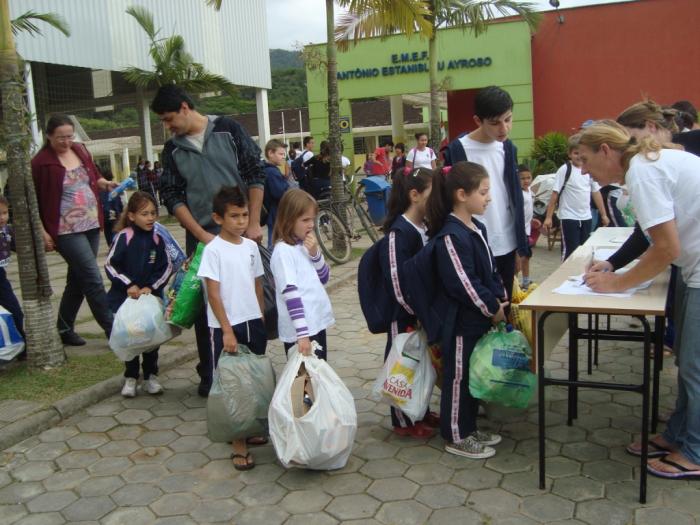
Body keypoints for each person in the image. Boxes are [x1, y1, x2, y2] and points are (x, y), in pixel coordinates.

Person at [579, 120, 700, 479]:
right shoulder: (647, 165)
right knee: (687, 361)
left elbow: (666, 247)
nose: (583, 170)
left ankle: (694, 451)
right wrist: (615, 266)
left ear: (605, 150)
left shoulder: (643, 173)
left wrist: (618, 284)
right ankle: (678, 435)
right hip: (693, 269)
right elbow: (649, 235)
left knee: (694, 367)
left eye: (585, 160)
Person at [153, 84, 266, 397]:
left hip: (243, 233)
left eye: (169, 117)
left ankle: (251, 365)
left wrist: (254, 223)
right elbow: (172, 195)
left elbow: (255, 174)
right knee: (207, 305)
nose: (168, 125)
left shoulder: (228, 130)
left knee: (247, 297)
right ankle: (212, 373)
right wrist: (202, 235)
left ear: (186, 107)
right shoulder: (172, 150)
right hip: (203, 237)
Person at [425, 161, 507, 459]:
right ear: (461, 194)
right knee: (458, 378)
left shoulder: (476, 227)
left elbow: (490, 269)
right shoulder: (451, 235)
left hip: (479, 319)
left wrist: (501, 298)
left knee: (473, 375)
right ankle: (456, 435)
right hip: (460, 322)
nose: (489, 198)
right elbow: (464, 283)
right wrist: (492, 307)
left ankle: (469, 426)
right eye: (483, 192)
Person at [197, 186, 266, 471]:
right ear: (218, 217)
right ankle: (238, 443)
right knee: (231, 383)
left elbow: (258, 282)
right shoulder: (213, 250)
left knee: (252, 379)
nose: (240, 221)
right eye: (234, 216)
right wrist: (226, 329)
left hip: (253, 322)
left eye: (245, 215)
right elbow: (213, 293)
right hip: (226, 326)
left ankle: (249, 427)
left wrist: (261, 316)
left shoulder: (251, 247)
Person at [31, 114, 117, 346]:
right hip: (65, 230)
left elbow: (92, 176)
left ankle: (65, 327)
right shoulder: (41, 163)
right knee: (92, 277)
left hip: (90, 224)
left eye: (70, 136)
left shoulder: (80, 150)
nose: (66, 142)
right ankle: (113, 329)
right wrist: (43, 231)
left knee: (78, 280)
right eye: (61, 138)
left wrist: (105, 184)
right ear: (48, 136)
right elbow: (33, 201)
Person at [442, 86, 527, 305]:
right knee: (479, 308)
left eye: (508, 119)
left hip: (507, 242)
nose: (504, 128)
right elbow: (449, 202)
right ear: (478, 120)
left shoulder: (508, 149)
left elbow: (514, 197)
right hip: (473, 244)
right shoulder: (458, 150)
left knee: (506, 308)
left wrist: (520, 244)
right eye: (495, 123)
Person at [379, 167, 438, 438]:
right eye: (432, 194)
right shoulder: (398, 233)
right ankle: (402, 421)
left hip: (420, 311)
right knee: (401, 365)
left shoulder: (424, 227)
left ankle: (420, 410)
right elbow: (395, 281)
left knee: (419, 364)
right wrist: (412, 312)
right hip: (402, 314)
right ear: (415, 195)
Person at [105, 191, 173, 398]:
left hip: (149, 299)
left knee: (151, 339)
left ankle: (151, 376)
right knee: (130, 337)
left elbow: (166, 267)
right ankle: (131, 377)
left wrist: (151, 287)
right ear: (132, 216)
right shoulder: (124, 237)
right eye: (145, 213)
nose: (150, 217)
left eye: (153, 213)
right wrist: (129, 284)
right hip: (124, 299)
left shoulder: (158, 239)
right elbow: (110, 265)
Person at [271, 189, 334, 361]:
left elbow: (324, 277)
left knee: (319, 376)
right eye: (305, 220)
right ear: (288, 220)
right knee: (305, 384)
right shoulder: (283, 251)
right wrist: (302, 335)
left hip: (315, 323)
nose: (311, 225)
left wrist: (315, 254)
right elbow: (290, 294)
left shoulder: (304, 245)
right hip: (302, 331)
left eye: (312, 219)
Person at [542, 134, 609, 260]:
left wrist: (604, 214)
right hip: (569, 217)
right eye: (575, 153)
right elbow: (555, 194)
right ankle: (566, 276)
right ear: (569, 154)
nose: (579, 156)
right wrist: (548, 217)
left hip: (586, 217)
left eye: (581, 153)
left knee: (585, 250)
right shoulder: (565, 170)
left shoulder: (589, 169)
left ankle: (580, 275)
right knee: (570, 251)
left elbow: (596, 192)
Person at [0, 196, 25, 355]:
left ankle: (21, 345)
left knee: (15, 311)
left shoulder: (7, 230)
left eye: (4, 213)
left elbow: (22, 246)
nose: (2, 217)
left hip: (1, 277)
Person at [263, 139, 292, 248]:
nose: (283, 157)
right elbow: (279, 193)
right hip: (276, 213)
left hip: (274, 213)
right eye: (280, 154)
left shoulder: (269, 170)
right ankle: (272, 262)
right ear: (270, 153)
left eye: (284, 154)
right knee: (275, 242)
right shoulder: (272, 172)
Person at [518, 165, 539, 289]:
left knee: (526, 257)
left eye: (528, 177)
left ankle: (526, 281)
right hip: (519, 232)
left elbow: (527, 210)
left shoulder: (529, 190)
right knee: (517, 261)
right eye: (522, 178)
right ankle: (513, 284)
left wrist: (532, 221)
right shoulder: (518, 194)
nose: (526, 181)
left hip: (527, 229)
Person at [99, 169, 124, 246]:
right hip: (115, 215)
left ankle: (110, 246)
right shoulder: (114, 189)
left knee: (108, 233)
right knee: (115, 232)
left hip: (105, 216)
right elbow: (119, 203)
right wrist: (120, 211)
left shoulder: (100, 191)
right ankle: (114, 246)